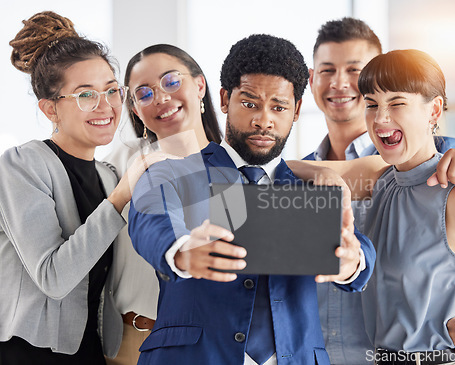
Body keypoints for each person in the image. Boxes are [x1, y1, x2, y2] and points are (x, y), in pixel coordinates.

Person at [127, 34, 376, 365]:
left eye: (278, 107)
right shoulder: (173, 172)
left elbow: (356, 244)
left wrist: (353, 261)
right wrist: (181, 251)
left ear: (297, 110)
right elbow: (149, 218)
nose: (264, 120)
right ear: (225, 98)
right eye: (249, 103)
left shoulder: (312, 187)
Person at [304, 17, 455, 365]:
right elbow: (294, 171)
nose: (380, 119)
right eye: (372, 104)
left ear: (434, 110)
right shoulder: (382, 180)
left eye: (396, 103)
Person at [0, 11, 163, 365]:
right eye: (85, 94)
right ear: (50, 109)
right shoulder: (21, 166)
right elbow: (53, 277)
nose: (105, 106)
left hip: (90, 351)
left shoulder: (107, 174)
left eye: (111, 90)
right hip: (29, 353)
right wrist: (121, 197)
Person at [103, 44, 222, 365]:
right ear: (136, 110)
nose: (161, 98)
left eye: (171, 82)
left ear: (199, 85)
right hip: (127, 343)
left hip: (206, 346)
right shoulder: (122, 161)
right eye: (144, 93)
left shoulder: (233, 167)